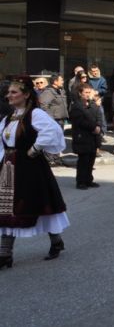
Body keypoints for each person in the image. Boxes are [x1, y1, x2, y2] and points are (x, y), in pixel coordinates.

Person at [0, 78, 69, 268]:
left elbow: (52, 131)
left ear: (26, 94)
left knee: (40, 203)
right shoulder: (8, 118)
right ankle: (5, 253)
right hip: (9, 168)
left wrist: (35, 149)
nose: (9, 95)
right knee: (6, 207)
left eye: (14, 92)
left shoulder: (35, 114)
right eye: (9, 92)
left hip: (30, 167)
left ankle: (56, 241)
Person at [69, 83, 102, 189]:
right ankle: (81, 182)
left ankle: (89, 180)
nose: (88, 95)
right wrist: (94, 128)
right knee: (83, 160)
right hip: (82, 136)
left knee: (91, 159)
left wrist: (98, 127)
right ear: (80, 93)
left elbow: (98, 117)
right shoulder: (76, 106)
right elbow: (81, 121)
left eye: (89, 92)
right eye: (86, 92)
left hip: (93, 136)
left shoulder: (93, 105)